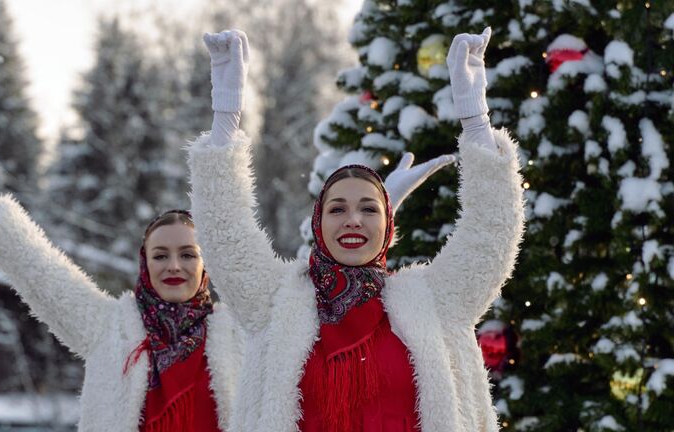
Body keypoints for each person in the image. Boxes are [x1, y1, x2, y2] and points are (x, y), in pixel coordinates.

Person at [187, 28, 525, 431]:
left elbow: (490, 236)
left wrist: (476, 122)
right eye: (338, 209)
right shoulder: (276, 303)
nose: (353, 219)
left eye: (368, 209)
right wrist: (225, 122)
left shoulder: (435, 301)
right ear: (318, 223)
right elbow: (227, 235)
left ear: (388, 225)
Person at [0, 128, 242, 431]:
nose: (173, 265)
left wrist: (225, 122)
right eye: (160, 255)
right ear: (145, 263)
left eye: (187, 254)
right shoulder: (109, 328)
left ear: (206, 264)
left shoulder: (238, 334)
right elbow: (40, 274)